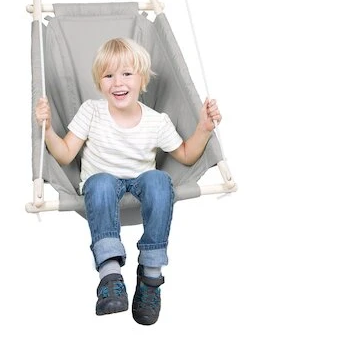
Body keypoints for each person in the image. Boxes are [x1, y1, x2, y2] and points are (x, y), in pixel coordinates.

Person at [35, 37, 221, 325]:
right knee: (101, 182)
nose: (117, 83)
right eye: (108, 75)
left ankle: (150, 275)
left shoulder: (157, 121)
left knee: (160, 181)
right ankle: (110, 276)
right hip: (101, 187)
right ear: (99, 82)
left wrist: (204, 129)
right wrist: (47, 130)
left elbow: (186, 155)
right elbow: (65, 154)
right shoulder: (91, 111)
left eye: (126, 74)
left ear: (142, 79)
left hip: (141, 184)